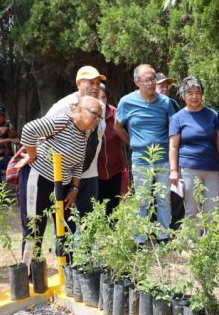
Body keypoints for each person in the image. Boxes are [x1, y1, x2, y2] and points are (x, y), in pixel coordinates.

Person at [16, 95, 102, 263]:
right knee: (34, 227)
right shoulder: (63, 121)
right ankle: (31, 273)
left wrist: (75, 189)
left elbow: (78, 164)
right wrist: (32, 155)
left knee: (68, 226)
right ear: (79, 110)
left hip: (62, 186)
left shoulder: (84, 134)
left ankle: (68, 270)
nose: (97, 119)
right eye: (94, 114)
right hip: (39, 180)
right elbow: (28, 129)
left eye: (100, 116)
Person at [114, 64, 177, 242]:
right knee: (142, 199)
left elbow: (173, 129)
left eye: (153, 79)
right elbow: (117, 127)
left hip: (163, 158)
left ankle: (164, 236)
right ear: (137, 82)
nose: (152, 83)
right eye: (147, 80)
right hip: (140, 159)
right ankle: (140, 238)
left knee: (163, 198)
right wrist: (133, 143)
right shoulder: (127, 102)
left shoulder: (165, 102)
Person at [45, 66, 106, 216]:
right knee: (65, 223)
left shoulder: (101, 107)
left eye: (98, 83)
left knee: (90, 222)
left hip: (90, 174)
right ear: (78, 83)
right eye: (90, 82)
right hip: (66, 175)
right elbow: (41, 134)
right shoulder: (64, 106)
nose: (95, 86)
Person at [169, 76, 219, 218]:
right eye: (190, 93)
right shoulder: (178, 118)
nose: (194, 96)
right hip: (189, 169)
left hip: (211, 169)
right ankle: (192, 240)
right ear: (183, 95)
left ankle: (209, 240)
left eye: (197, 92)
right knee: (192, 210)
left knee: (212, 209)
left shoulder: (212, 114)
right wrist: (173, 171)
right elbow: (173, 147)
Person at [155, 72, 184, 228]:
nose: (164, 88)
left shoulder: (172, 104)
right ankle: (155, 227)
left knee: (175, 193)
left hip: (172, 155)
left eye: (166, 85)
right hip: (151, 157)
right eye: (161, 85)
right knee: (154, 194)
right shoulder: (144, 104)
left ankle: (176, 226)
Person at [96, 84, 127, 215]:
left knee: (113, 211)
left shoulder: (116, 114)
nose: (101, 102)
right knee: (96, 210)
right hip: (94, 173)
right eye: (97, 98)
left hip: (115, 170)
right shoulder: (87, 116)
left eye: (103, 97)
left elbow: (128, 137)